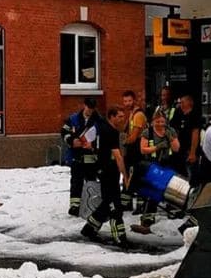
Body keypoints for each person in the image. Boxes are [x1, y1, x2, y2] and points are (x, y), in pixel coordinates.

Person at [81, 106, 132, 248]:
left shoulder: (100, 126)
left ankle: (90, 227)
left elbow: (85, 139)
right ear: (112, 116)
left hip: (102, 169)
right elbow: (118, 156)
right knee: (115, 205)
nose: (122, 119)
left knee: (107, 201)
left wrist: (96, 150)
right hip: (109, 171)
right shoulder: (111, 132)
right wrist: (125, 176)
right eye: (120, 116)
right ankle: (119, 237)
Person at [130, 111, 181, 235]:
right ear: (153, 121)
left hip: (167, 164)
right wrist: (157, 147)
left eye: (162, 121)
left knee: (168, 189)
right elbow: (143, 150)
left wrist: (170, 138)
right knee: (152, 191)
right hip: (152, 165)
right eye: (157, 121)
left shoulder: (171, 131)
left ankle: (173, 212)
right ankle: (147, 220)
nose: (160, 124)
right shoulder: (148, 132)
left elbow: (176, 148)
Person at [60, 98, 100, 216]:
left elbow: (101, 137)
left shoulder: (98, 121)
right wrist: (72, 141)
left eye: (92, 109)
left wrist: (92, 146)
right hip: (76, 156)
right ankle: (75, 206)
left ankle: (91, 204)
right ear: (84, 106)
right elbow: (64, 132)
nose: (90, 111)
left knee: (91, 181)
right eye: (88, 108)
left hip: (91, 157)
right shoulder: (73, 118)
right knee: (76, 181)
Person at [120, 90, 148, 213]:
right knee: (129, 176)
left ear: (134, 100)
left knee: (137, 177)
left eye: (129, 101)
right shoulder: (131, 114)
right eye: (125, 101)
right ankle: (127, 203)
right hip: (132, 150)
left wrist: (124, 143)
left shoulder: (138, 115)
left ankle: (140, 205)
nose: (127, 103)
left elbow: (134, 135)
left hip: (137, 150)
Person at [169, 94, 202, 180]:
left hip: (189, 149)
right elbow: (171, 127)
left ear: (189, 103)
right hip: (179, 149)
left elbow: (195, 134)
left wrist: (192, 152)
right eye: (180, 102)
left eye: (183, 102)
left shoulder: (194, 115)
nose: (181, 104)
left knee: (191, 174)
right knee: (180, 173)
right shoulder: (178, 113)